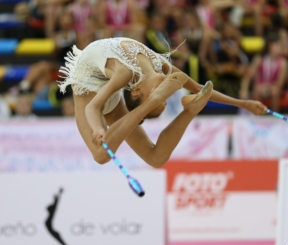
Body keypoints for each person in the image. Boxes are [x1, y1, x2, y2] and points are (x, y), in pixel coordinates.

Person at [58, 37, 266, 167]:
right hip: (88, 88)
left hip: (104, 86)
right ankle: (151, 106)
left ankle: (189, 111)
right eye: (163, 99)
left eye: (160, 96)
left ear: (137, 90)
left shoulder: (131, 73)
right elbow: (92, 107)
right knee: (101, 155)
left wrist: (243, 103)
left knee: (156, 159)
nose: (165, 96)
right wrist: (97, 128)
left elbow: (203, 90)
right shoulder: (158, 68)